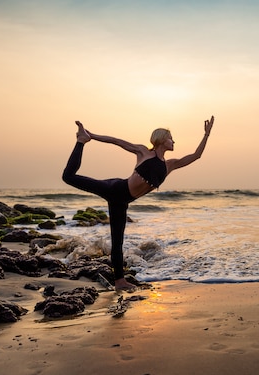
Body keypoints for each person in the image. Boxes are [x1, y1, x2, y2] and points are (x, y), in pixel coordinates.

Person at [62, 116, 215, 291]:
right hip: (114, 188)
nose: (174, 141)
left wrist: (206, 135)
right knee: (68, 177)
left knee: (117, 242)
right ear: (161, 139)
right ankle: (81, 141)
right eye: (171, 138)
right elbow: (117, 141)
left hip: (122, 201)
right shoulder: (144, 152)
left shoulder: (170, 165)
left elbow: (196, 156)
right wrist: (91, 135)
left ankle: (119, 282)